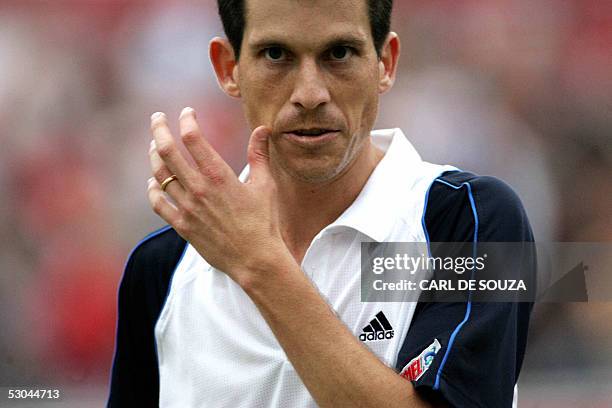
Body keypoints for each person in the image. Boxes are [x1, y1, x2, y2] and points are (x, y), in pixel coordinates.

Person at [108, 0, 534, 406]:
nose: (310, 94)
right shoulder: (161, 269)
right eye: (276, 54)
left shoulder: (475, 221)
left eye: (340, 53)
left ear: (385, 63)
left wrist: (260, 264)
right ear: (228, 68)